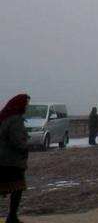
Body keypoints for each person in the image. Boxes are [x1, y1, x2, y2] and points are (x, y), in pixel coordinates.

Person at [0, 94, 30, 223]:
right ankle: (12, 216)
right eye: (26, 104)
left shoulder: (5, 118)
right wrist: (26, 147)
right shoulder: (16, 120)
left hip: (3, 159)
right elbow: (17, 141)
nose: (27, 107)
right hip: (12, 161)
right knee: (16, 189)